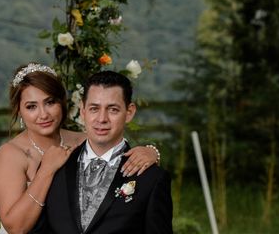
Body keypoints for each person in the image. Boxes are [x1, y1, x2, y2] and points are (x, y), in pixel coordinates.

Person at [0, 63, 160, 234]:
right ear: (19, 110)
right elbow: (16, 228)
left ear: (62, 102)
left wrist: (152, 152)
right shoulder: (10, 155)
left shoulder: (82, 140)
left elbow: (116, 154)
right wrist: (46, 170)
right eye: (31, 106)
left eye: (50, 102)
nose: (43, 114)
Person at [30, 70, 173, 234]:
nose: (101, 119)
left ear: (129, 112)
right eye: (94, 108)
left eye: (112, 109)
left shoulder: (152, 179)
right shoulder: (54, 167)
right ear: (82, 110)